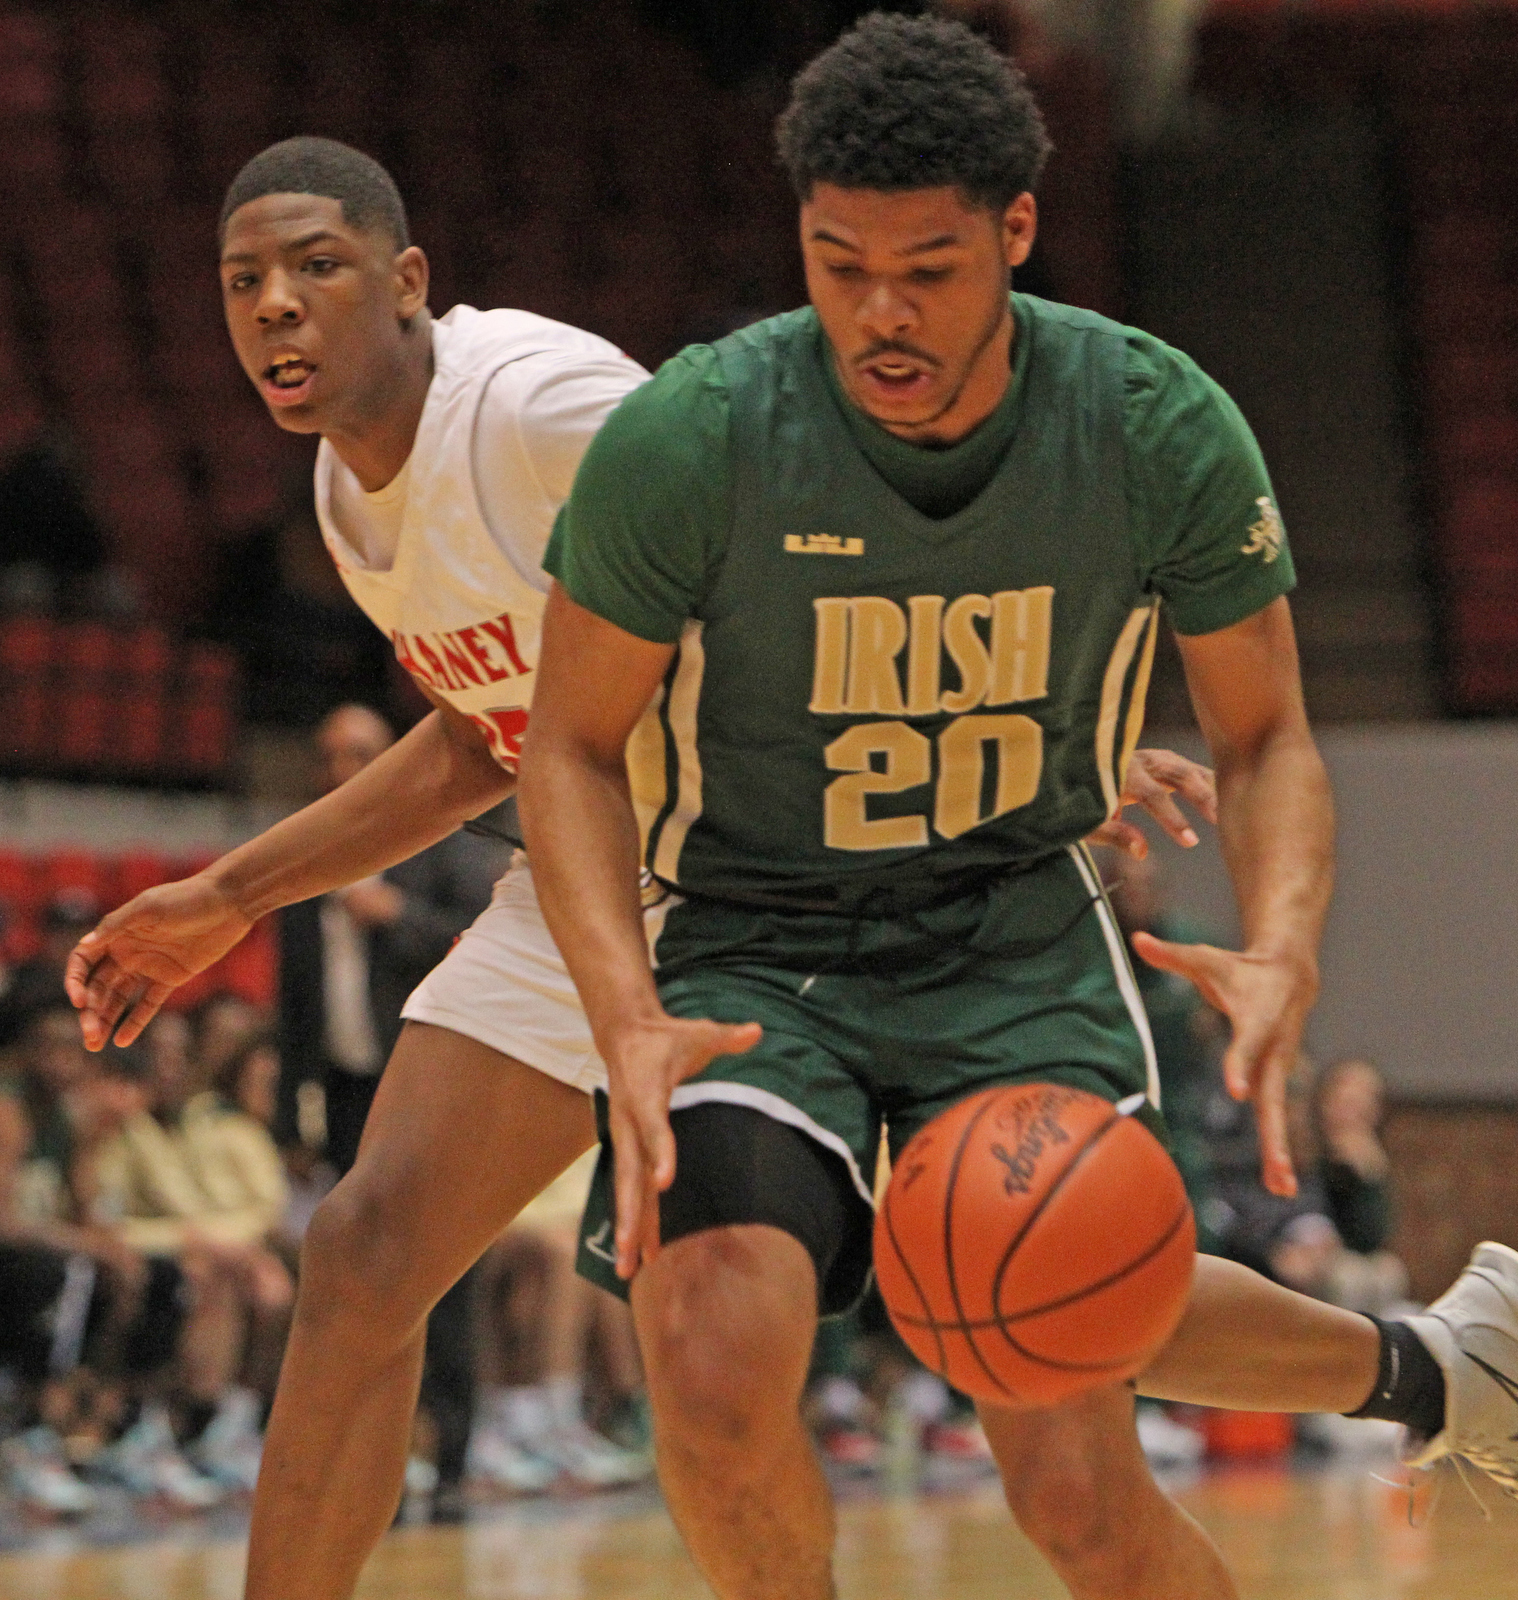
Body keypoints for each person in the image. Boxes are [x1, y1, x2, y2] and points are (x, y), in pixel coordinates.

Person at [60, 130, 1443, 1600]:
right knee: (365, 1251)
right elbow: (490, 741)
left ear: (408, 282)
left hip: (793, 865)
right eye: (242, 282)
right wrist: (230, 892)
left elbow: (803, 516)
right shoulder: (350, 498)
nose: (274, 305)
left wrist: (1023, 745)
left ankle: (1424, 1365)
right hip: (600, 867)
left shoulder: (543, 410)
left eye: (314, 268)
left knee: (1024, 1294)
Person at [519, 15, 1518, 1599]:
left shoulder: (1148, 420)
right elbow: (564, 746)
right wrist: (618, 1004)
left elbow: (1264, 737)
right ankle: (1436, 1371)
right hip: (753, 951)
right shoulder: (696, 437)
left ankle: (1436, 1375)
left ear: (1017, 233)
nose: (880, 313)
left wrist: (1281, 946)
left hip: (1012, 948)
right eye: (838, 264)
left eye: (928, 266)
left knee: (1065, 1474)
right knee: (709, 1373)